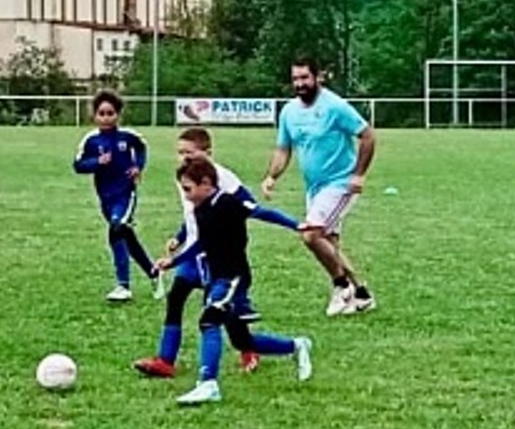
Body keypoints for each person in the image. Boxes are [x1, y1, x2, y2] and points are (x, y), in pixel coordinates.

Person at [133, 127, 303, 378]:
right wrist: (179, 237)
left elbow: (252, 209)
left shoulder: (224, 180)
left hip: (216, 258)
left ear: (208, 153)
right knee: (178, 297)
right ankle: (166, 360)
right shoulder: (186, 177)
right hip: (194, 253)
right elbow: (196, 216)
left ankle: (246, 351)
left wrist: (295, 224)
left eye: (189, 154)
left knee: (220, 310)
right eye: (180, 153)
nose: (184, 159)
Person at [156, 157, 313, 405]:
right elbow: (201, 244)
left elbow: (262, 212)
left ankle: (208, 383)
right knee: (242, 341)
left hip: (233, 278)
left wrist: (297, 225)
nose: (186, 196)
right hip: (216, 277)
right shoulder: (201, 209)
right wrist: (172, 261)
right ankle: (297, 345)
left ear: (206, 183)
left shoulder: (229, 203)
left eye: (188, 189)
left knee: (209, 321)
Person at [261, 55, 377, 317]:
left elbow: (367, 135)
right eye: (295, 79)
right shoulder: (289, 112)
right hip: (315, 188)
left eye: (304, 77)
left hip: (340, 184)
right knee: (329, 245)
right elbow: (283, 149)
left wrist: (358, 175)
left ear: (317, 77)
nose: (299, 83)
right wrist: (271, 176)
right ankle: (362, 294)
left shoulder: (335, 106)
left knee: (311, 234)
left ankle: (341, 286)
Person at [72, 90, 163, 302]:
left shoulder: (127, 136)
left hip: (125, 193)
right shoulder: (91, 140)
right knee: (125, 236)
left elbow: (141, 147)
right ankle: (153, 272)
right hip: (105, 197)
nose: (106, 117)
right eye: (101, 113)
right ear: (95, 116)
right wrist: (96, 163)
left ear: (118, 115)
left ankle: (123, 285)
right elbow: (78, 165)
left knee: (116, 229)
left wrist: (137, 167)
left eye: (110, 113)